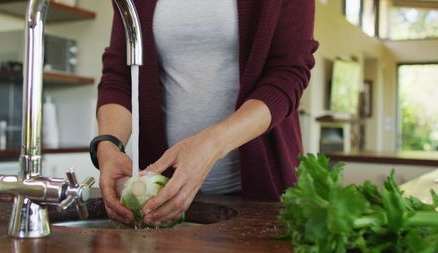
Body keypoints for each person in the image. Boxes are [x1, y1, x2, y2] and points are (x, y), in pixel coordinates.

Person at [94, 0, 318, 226]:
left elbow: (287, 75)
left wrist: (211, 145)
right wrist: (109, 144)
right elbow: (119, 76)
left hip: (260, 193)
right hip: (160, 197)